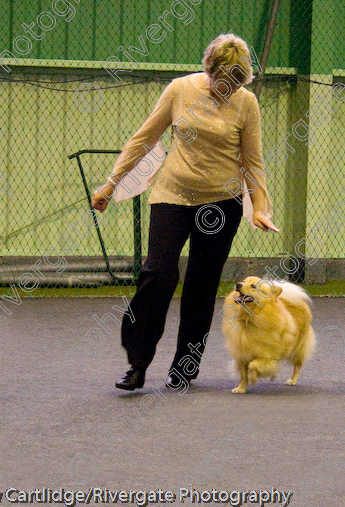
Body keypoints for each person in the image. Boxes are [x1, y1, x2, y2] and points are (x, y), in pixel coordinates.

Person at [91, 33, 278, 391]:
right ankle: (138, 364)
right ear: (208, 70)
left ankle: (184, 368)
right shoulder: (179, 90)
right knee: (157, 274)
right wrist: (111, 185)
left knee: (201, 286)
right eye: (221, 82)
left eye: (235, 85)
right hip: (172, 195)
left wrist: (261, 208)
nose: (226, 90)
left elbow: (253, 162)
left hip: (222, 206)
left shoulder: (246, 103)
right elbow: (143, 140)